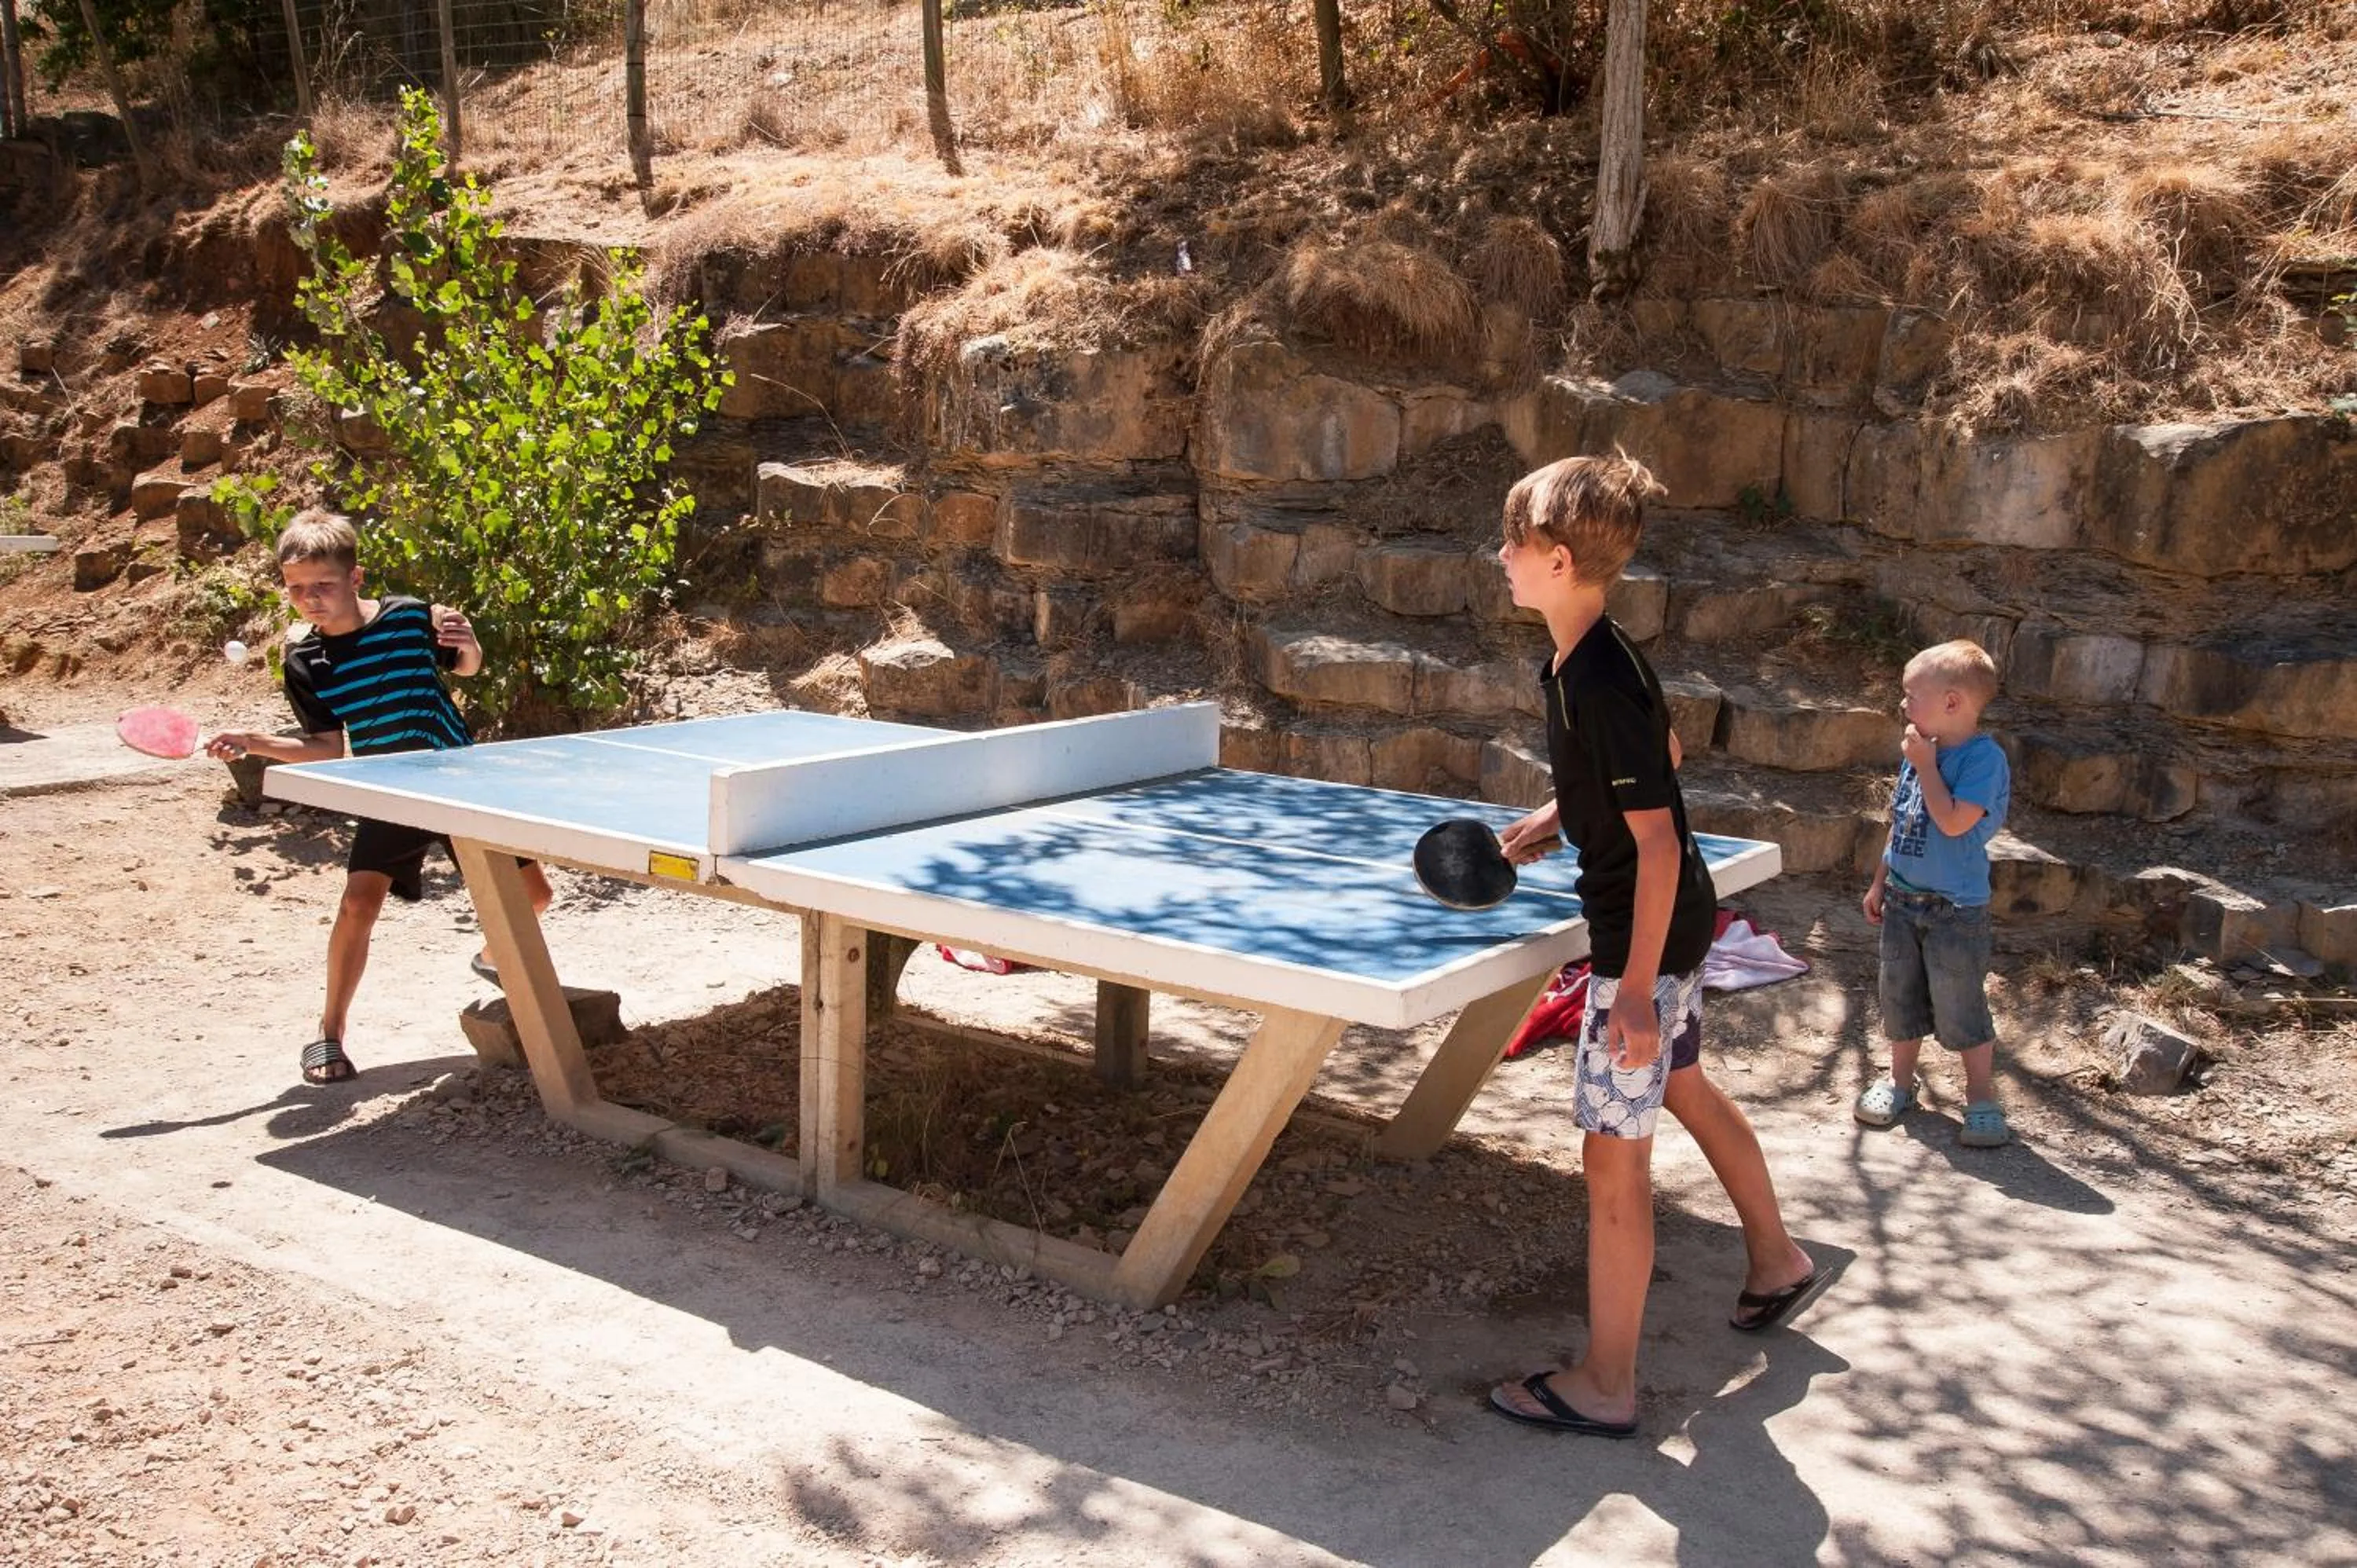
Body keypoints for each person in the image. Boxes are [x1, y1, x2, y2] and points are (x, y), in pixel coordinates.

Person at [1485, 454, 1821, 1439]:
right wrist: (1558, 813)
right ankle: (1776, 1260)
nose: (1498, 556)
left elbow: (1661, 837)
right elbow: (1660, 762)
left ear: (1553, 558)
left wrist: (1631, 989)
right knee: (1683, 1084)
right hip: (1666, 932)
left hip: (1644, 941)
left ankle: (1607, 1382)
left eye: (1511, 541)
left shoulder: (1593, 673)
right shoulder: (1592, 653)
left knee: (1611, 1162)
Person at [206, 511, 550, 1086]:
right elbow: (324, 747)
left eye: (323, 585)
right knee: (358, 905)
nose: (310, 599)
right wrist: (254, 743)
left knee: (534, 896)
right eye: (296, 589)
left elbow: (464, 668)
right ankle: (328, 1034)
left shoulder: (409, 617)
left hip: (460, 781)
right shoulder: (304, 661)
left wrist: (471, 647)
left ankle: (491, 957)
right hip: (391, 790)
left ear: (355, 576)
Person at [1856, 639, 2012, 1147]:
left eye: (1911, 695)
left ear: (1952, 703)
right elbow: (1902, 822)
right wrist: (1880, 881)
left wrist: (1924, 765)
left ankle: (1982, 1097)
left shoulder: (1981, 761)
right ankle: (1901, 1083)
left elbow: (1950, 822)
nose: (1903, 705)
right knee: (1898, 998)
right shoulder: (1920, 748)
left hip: (1955, 911)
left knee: (1960, 1003)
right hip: (1903, 900)